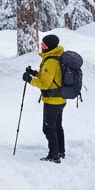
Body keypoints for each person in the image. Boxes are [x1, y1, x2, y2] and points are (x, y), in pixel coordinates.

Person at [23, 33, 66, 163]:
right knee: (57, 126)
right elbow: (50, 78)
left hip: (52, 101)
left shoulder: (51, 62)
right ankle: (60, 151)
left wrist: (29, 79)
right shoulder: (56, 57)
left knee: (48, 128)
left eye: (43, 44)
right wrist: (34, 73)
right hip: (60, 99)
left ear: (49, 46)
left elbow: (44, 84)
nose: (41, 45)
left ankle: (54, 155)